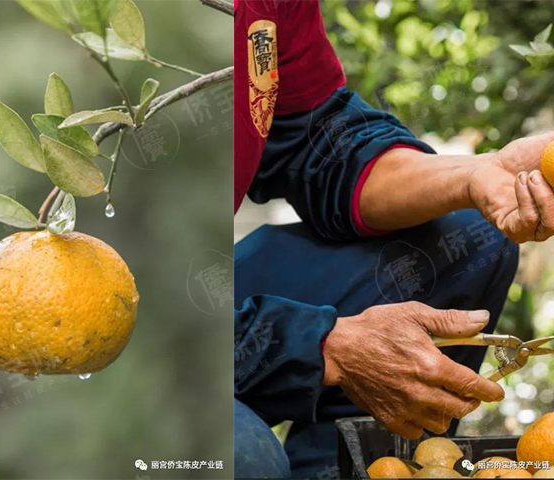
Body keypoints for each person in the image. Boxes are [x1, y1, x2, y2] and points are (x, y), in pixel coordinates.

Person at [234, 0, 554, 478]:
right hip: (126, 315)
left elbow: (314, 138)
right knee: (246, 459)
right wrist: (323, 347)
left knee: (473, 238)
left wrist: (476, 176)